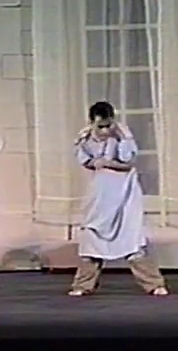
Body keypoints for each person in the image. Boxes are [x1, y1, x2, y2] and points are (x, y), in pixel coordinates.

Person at [69, 101, 169, 296]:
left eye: (108, 125)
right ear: (92, 123)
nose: (105, 131)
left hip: (124, 194)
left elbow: (128, 162)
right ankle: (83, 285)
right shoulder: (85, 138)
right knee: (92, 237)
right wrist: (96, 161)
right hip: (101, 194)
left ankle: (154, 283)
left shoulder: (122, 134)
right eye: (100, 126)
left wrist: (109, 159)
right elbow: (86, 161)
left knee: (132, 239)